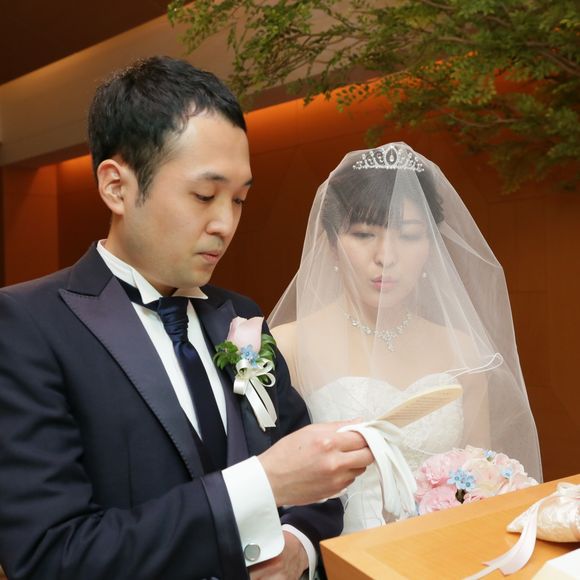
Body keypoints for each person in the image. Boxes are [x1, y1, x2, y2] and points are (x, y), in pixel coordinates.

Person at [0, 56, 374, 580]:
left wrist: (297, 548)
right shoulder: (27, 325)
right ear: (116, 186)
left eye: (239, 200)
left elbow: (310, 482)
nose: (225, 224)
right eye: (204, 195)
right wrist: (261, 483)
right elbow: (52, 556)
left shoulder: (239, 316)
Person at [269, 142, 543, 533]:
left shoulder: (462, 350)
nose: (386, 256)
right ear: (330, 243)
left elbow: (479, 480)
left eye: (410, 236)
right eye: (364, 234)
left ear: (431, 246)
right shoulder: (290, 346)